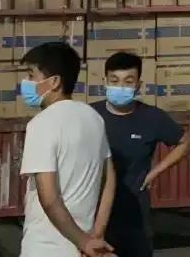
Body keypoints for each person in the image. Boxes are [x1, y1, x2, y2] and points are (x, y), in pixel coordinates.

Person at [91, 51, 190, 257]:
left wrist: (154, 173)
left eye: (128, 81)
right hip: (92, 211)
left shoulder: (152, 117)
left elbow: (185, 142)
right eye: (114, 81)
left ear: (138, 85)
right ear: (105, 82)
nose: (120, 87)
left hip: (134, 213)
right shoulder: (89, 115)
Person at [19, 42, 116, 257]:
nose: (26, 82)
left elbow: (49, 198)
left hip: (46, 246)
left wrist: (84, 242)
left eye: (31, 75)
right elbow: (109, 179)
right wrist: (96, 234)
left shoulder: (41, 124)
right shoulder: (94, 118)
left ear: (54, 82)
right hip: (82, 246)